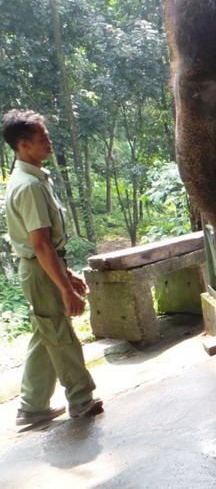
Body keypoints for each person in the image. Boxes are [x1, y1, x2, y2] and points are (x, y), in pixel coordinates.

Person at [2, 109, 103, 426]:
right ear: (23, 145)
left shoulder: (32, 178)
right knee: (59, 334)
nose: (49, 142)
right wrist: (64, 289)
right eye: (42, 139)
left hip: (41, 266)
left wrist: (67, 274)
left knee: (45, 332)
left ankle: (32, 406)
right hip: (39, 268)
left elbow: (46, 246)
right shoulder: (29, 186)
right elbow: (41, 244)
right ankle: (80, 400)